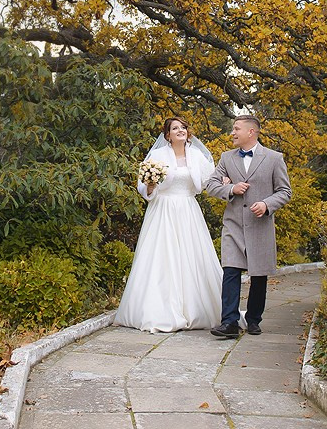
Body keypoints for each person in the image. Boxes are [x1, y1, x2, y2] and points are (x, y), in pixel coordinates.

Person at [114, 117, 223, 332]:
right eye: (175, 128)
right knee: (162, 258)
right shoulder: (157, 155)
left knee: (191, 257)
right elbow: (143, 186)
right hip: (163, 211)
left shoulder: (197, 155)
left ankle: (196, 310)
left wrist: (224, 183)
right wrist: (151, 187)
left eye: (183, 127)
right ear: (168, 135)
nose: (180, 130)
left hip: (188, 210)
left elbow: (209, 182)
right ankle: (159, 311)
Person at [203, 114, 292, 338]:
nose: (232, 133)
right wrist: (231, 189)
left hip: (260, 226)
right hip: (233, 225)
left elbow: (285, 191)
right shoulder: (226, 158)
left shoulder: (274, 158)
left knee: (259, 275)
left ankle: (253, 320)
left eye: (236, 129)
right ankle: (229, 322)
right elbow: (211, 185)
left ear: (251, 132)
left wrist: (266, 204)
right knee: (230, 272)